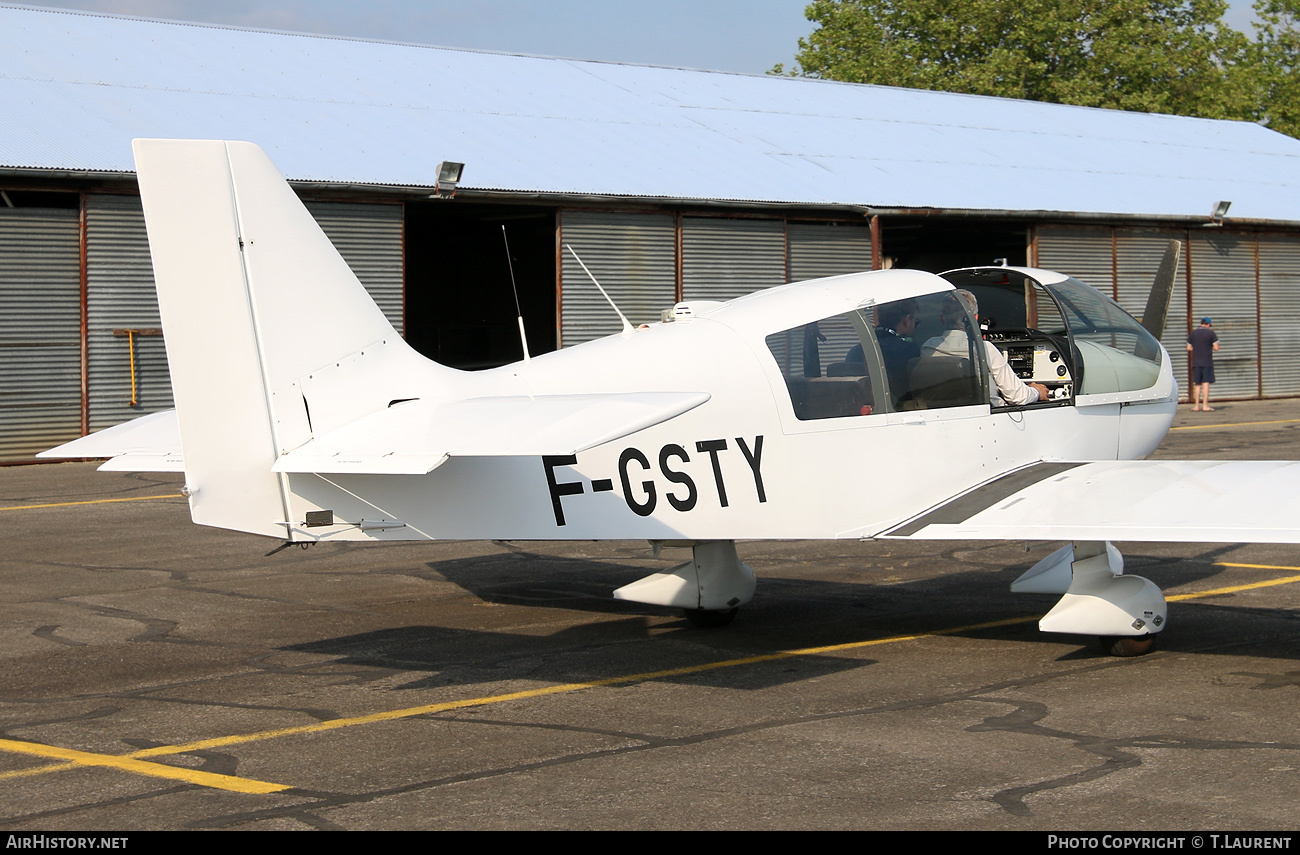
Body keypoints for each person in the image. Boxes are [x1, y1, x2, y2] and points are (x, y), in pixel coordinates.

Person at [938, 290, 1048, 407]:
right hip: (992, 414)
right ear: (975, 318)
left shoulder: (928, 348)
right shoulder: (983, 348)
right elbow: (1018, 396)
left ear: (942, 319)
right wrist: (1037, 391)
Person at [1187, 317, 1219, 411]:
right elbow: (1216, 348)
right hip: (1207, 362)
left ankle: (1196, 406)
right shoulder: (1211, 333)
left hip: (1196, 362)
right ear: (1208, 324)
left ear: (1201, 323)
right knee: (1205, 383)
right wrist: (1209, 348)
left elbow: (1188, 348)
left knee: (1197, 384)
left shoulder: (1193, 333)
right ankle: (1205, 406)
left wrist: (1196, 348)